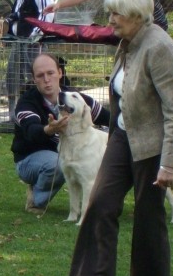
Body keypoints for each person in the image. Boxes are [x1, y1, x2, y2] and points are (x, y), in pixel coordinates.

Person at [61, 0, 173, 276]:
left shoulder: (159, 46)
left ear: (136, 15)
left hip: (152, 145)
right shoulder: (128, 42)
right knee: (100, 204)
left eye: (116, 13)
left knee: (149, 219)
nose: (111, 19)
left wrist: (169, 163)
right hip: (121, 137)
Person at [11, 53, 109, 214]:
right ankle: (36, 200)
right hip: (28, 159)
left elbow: (108, 118)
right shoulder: (26, 102)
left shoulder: (76, 99)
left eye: (50, 73)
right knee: (57, 164)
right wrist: (49, 130)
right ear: (34, 79)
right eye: (40, 76)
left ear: (60, 73)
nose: (46, 79)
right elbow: (31, 130)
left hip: (61, 154)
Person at [5, 0, 55, 120]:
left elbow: (47, 11)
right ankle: (14, 114)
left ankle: (42, 113)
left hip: (33, 40)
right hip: (20, 38)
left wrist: (38, 34)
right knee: (12, 75)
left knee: (37, 78)